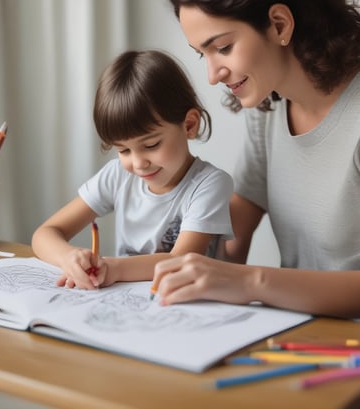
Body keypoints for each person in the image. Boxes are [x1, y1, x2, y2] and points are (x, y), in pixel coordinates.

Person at [151, 0, 360, 318]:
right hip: (293, 338)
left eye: (224, 48)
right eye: (204, 54)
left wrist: (249, 282)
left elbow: (237, 272)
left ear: (279, 24)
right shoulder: (269, 110)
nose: (213, 75)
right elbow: (230, 236)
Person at [32, 49, 234, 290]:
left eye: (151, 145)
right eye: (123, 150)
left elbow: (180, 261)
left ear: (189, 125)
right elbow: (45, 234)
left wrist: (114, 268)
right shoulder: (117, 175)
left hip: (191, 305)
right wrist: (68, 257)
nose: (138, 163)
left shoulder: (209, 184)